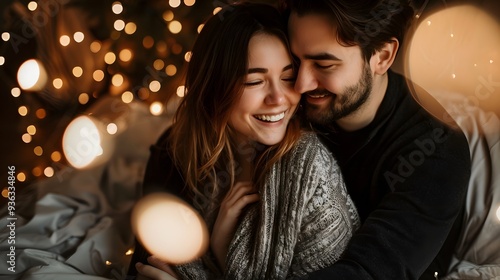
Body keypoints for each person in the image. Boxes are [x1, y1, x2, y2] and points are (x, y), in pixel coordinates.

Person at [126, 2, 360, 279]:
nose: (278, 99)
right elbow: (149, 261)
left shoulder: (309, 167)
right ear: (215, 88)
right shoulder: (200, 157)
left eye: (288, 77)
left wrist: (222, 247)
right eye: (254, 82)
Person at [280, 0, 472, 279]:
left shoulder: (436, 149)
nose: (301, 84)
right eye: (295, 62)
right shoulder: (291, 111)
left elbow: (369, 273)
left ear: (382, 56)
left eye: (324, 64)